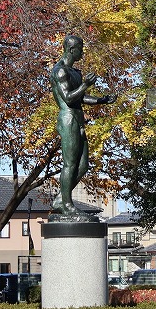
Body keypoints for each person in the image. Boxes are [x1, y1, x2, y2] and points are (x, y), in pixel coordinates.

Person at [50, 35, 115, 219]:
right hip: (68, 119)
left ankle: (60, 199)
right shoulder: (59, 71)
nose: (83, 52)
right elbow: (68, 98)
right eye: (80, 48)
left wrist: (102, 100)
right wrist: (85, 85)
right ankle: (67, 205)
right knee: (70, 163)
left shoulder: (75, 72)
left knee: (83, 165)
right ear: (71, 50)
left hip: (78, 120)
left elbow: (81, 98)